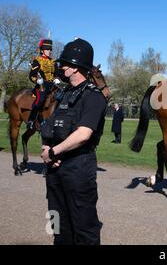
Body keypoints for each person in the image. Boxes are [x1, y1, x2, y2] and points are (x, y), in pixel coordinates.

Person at [40, 38, 107, 245]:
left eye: (65, 64)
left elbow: (83, 134)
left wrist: (53, 152)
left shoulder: (93, 97)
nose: (61, 67)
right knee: (58, 225)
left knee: (84, 228)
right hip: (55, 168)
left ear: (77, 67)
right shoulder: (63, 94)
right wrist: (46, 148)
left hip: (78, 168)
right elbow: (50, 126)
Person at [27, 39, 61, 129]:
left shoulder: (53, 62)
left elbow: (57, 73)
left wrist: (57, 78)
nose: (49, 51)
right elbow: (31, 75)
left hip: (52, 86)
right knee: (40, 100)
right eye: (47, 49)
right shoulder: (37, 60)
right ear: (42, 50)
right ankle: (31, 120)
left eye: (50, 50)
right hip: (41, 86)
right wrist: (37, 81)